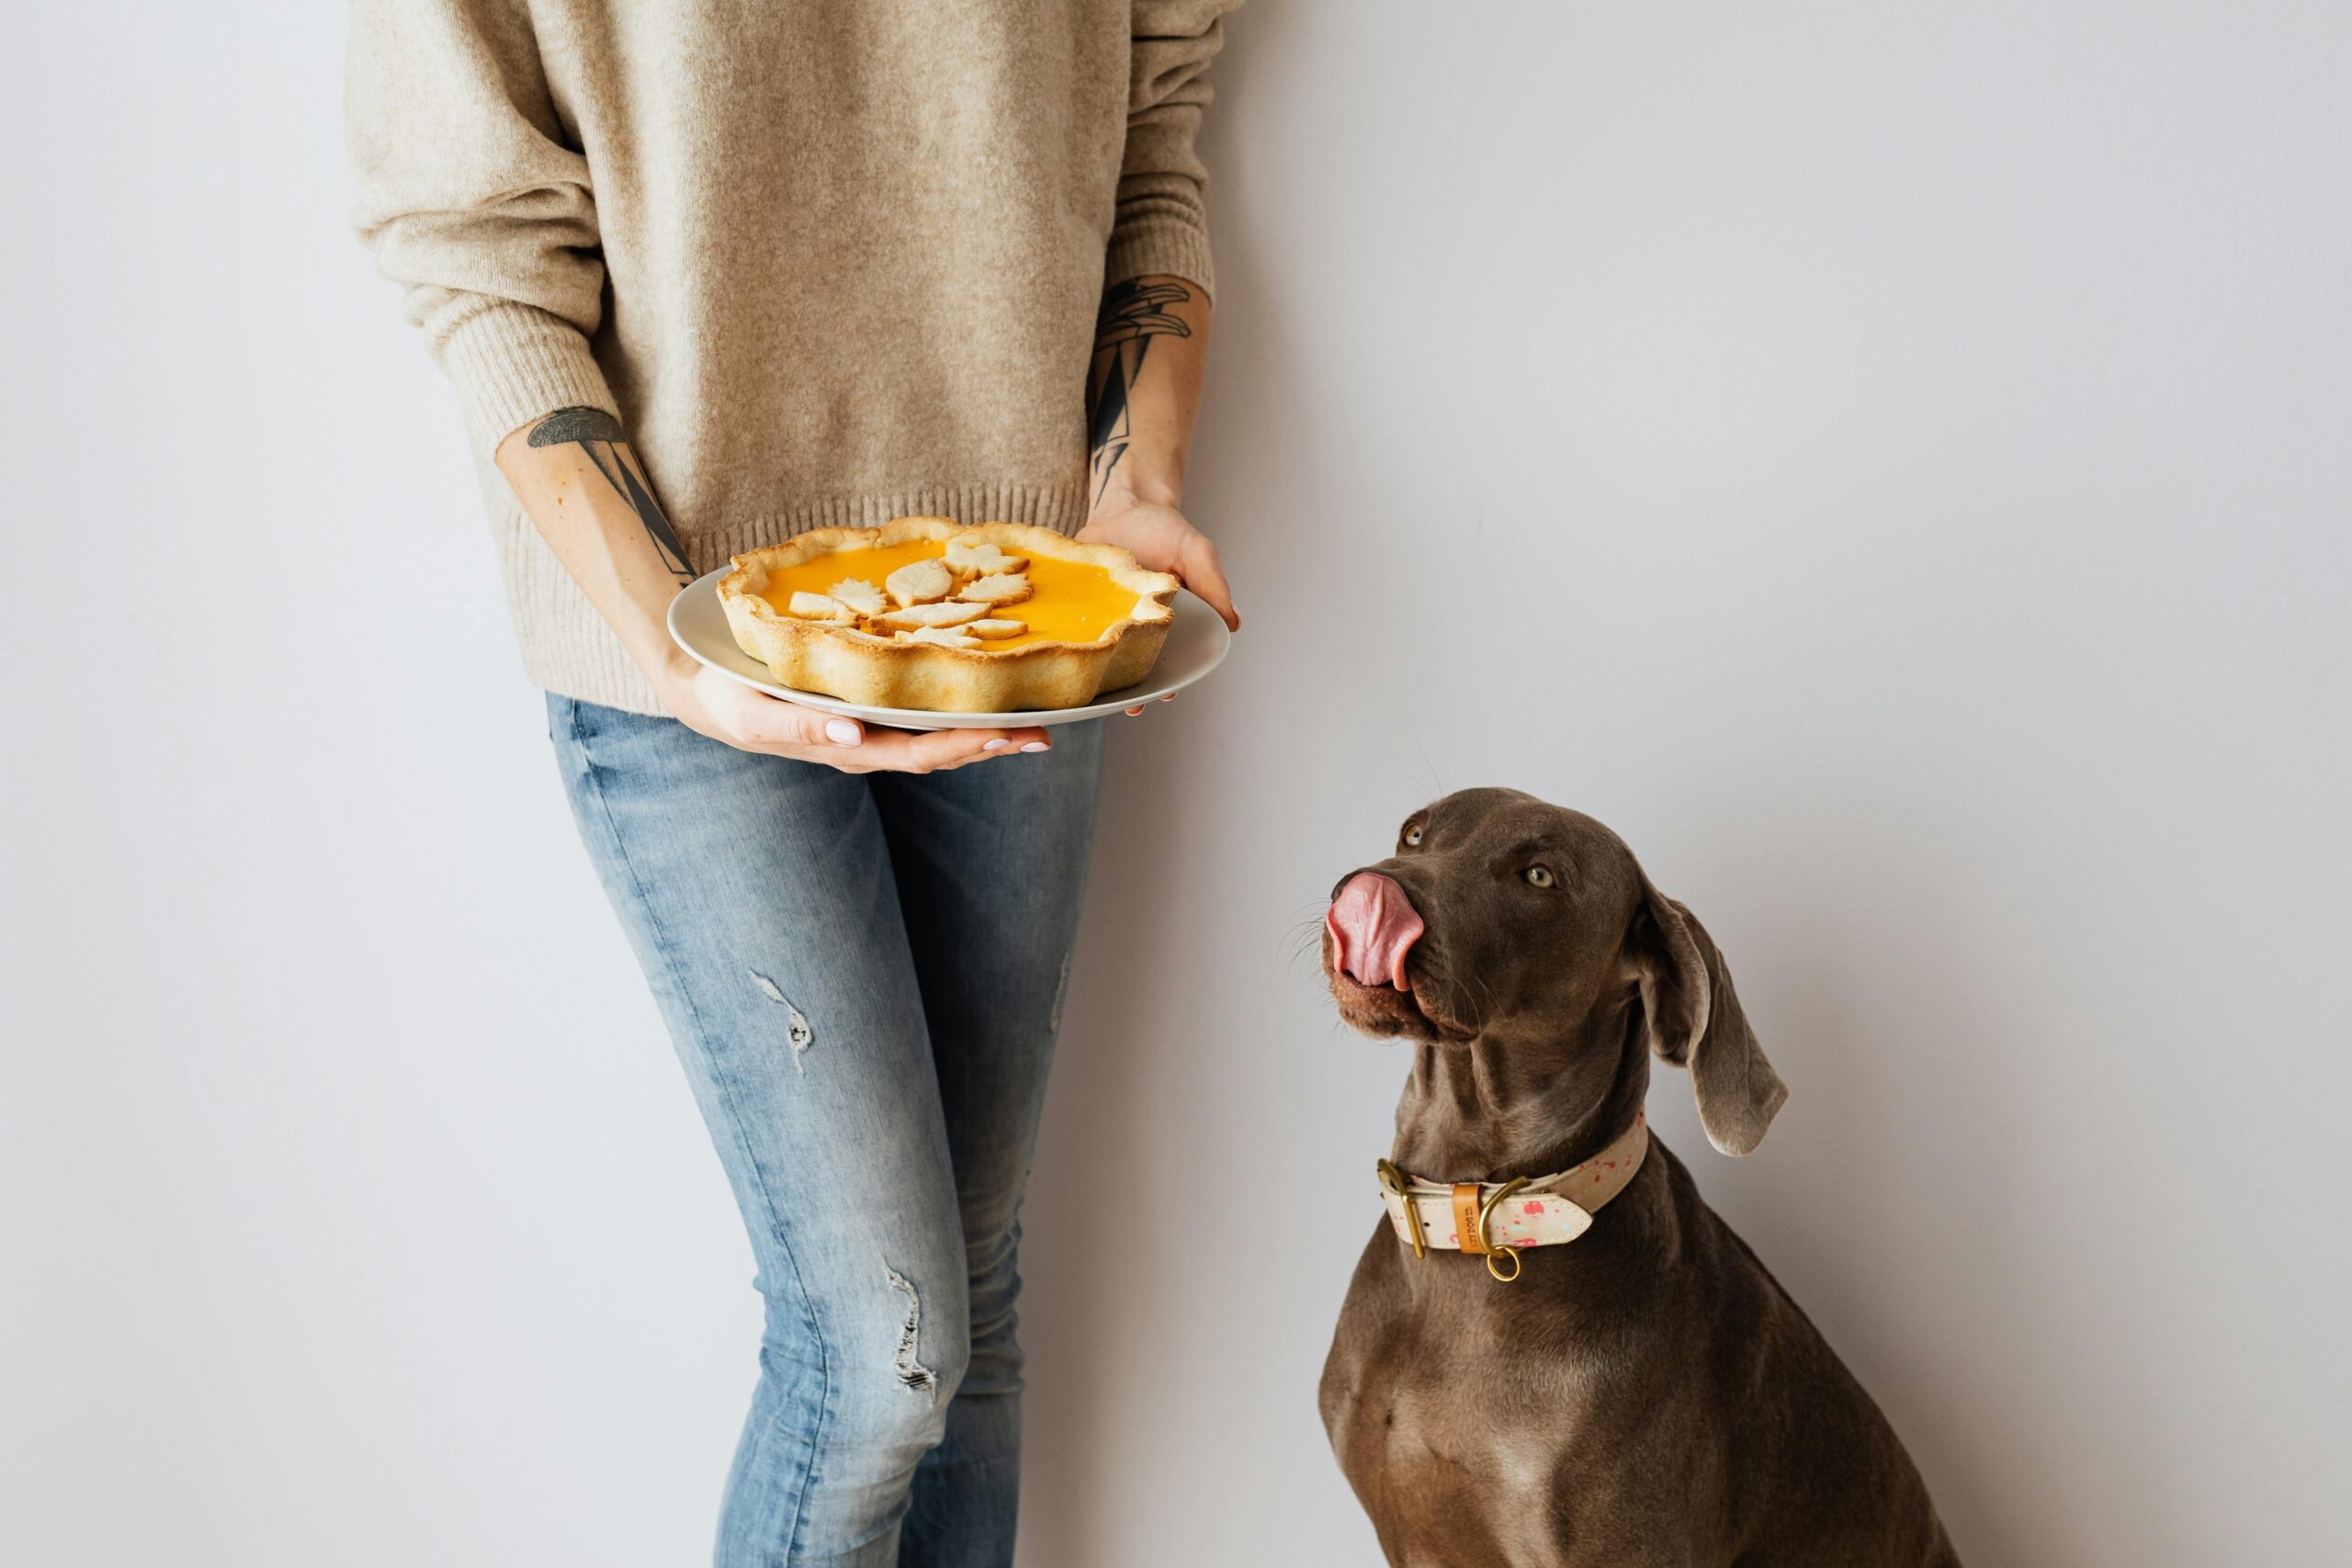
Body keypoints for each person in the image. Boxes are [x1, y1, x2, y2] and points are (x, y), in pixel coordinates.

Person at [345, 4, 1239, 1562]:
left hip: (1024, 612)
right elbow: (473, 245)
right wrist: (676, 647)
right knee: (884, 1355)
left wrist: (1134, 487)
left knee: (972, 1305)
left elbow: (1149, 128)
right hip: (681, 643)